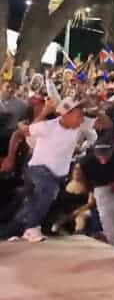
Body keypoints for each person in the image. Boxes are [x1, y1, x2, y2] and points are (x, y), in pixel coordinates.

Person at [0, 98, 89, 243]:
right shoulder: (47, 126)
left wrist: (94, 106)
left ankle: (7, 232)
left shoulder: (80, 124)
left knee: (31, 205)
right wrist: (10, 157)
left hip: (56, 174)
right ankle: (32, 228)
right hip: (37, 168)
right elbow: (19, 133)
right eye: (79, 115)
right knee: (48, 190)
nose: (82, 119)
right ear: (67, 114)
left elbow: (103, 122)